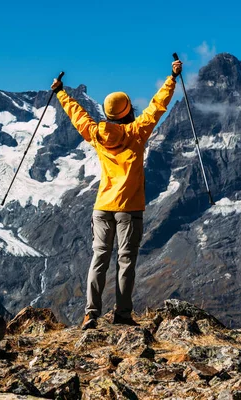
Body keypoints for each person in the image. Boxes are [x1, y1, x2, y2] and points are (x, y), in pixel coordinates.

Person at [51, 59, 183, 329]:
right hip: (129, 209)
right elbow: (157, 107)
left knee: (99, 258)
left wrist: (60, 92)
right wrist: (172, 77)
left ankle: (91, 313)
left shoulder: (96, 133)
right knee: (126, 262)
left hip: (102, 206)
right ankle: (122, 314)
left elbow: (77, 114)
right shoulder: (137, 132)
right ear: (127, 112)